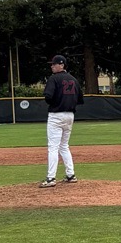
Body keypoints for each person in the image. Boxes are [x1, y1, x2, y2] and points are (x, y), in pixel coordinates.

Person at [41, 53, 83, 187]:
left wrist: (57, 101)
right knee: (64, 146)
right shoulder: (74, 80)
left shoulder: (54, 79)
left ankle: (50, 178)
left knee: (53, 147)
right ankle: (71, 175)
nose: (52, 66)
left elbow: (48, 97)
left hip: (56, 115)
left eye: (54, 64)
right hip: (70, 115)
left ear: (61, 65)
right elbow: (80, 99)